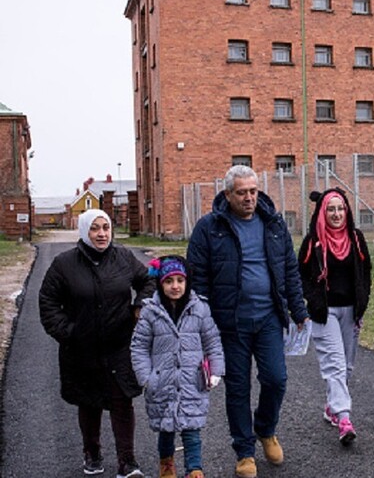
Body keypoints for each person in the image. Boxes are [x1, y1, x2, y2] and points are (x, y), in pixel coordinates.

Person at [186, 165, 309, 478]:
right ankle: (244, 451)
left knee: (276, 379)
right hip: (230, 324)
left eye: (253, 191)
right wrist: (201, 321)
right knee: (237, 389)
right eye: (242, 193)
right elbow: (197, 278)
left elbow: (289, 270)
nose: (249, 198)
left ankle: (265, 429)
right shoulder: (209, 228)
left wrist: (298, 310)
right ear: (228, 194)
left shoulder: (274, 224)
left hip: (268, 318)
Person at [39, 209, 154, 477]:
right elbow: (48, 302)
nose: (102, 234)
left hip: (120, 345)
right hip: (82, 348)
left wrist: (140, 305)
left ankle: (127, 461)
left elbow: (148, 281)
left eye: (106, 227)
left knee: (122, 402)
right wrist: (69, 332)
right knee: (88, 402)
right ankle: (92, 454)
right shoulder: (64, 264)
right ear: (84, 231)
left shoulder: (124, 257)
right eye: (95, 228)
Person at [131, 255, 226, 478]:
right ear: (160, 283)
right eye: (169, 281)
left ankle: (194, 469)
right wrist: (146, 378)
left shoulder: (199, 308)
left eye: (180, 281)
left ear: (187, 282)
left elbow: (212, 341)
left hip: (192, 382)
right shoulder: (150, 312)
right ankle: (166, 464)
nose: (175, 286)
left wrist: (215, 370)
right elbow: (139, 347)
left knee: (192, 429)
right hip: (162, 383)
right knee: (166, 429)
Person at [298, 189, 371, 445]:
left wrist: (362, 302)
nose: (337, 214)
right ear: (322, 212)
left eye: (340, 209)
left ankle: (332, 406)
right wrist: (314, 301)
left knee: (347, 367)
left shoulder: (356, 238)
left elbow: (365, 272)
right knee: (335, 365)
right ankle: (344, 419)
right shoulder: (312, 241)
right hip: (324, 312)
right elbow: (301, 275)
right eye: (331, 209)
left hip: (350, 310)